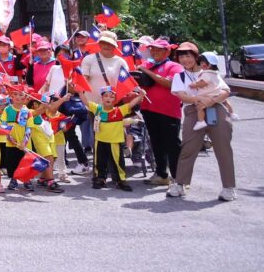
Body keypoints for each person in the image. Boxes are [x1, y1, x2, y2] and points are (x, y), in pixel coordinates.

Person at [170, 42, 236, 201]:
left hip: (216, 109)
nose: (185, 59)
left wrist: (210, 101)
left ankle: (229, 187)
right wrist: (199, 100)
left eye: (188, 55)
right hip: (193, 111)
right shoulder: (179, 76)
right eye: (182, 56)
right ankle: (180, 184)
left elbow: (226, 91)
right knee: (188, 148)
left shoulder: (210, 72)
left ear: (196, 56)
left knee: (223, 148)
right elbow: (182, 96)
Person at [136, 38, 183, 187]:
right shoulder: (147, 64)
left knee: (172, 145)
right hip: (149, 109)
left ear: (167, 51)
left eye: (158, 49)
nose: (154, 51)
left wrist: (146, 72)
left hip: (168, 111)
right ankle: (162, 174)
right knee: (156, 143)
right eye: (152, 49)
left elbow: (169, 84)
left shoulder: (174, 66)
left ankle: (179, 178)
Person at [79, 31, 126, 101]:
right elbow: (83, 81)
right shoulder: (88, 59)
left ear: (114, 46)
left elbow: (125, 85)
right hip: (92, 106)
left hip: (113, 106)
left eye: (110, 43)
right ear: (99, 44)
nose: (107, 45)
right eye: (104, 42)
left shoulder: (121, 62)